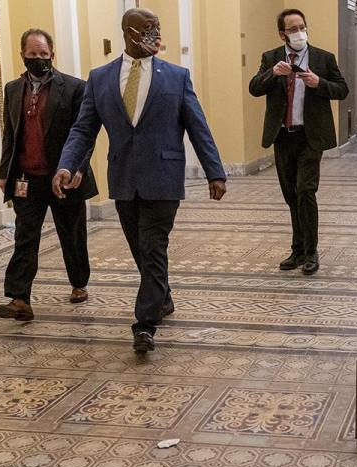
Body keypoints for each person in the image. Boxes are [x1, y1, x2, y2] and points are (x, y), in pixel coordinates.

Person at [55, 8, 227, 354]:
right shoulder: (100, 77)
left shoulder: (176, 76)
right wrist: (67, 165)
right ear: (128, 32)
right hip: (124, 178)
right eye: (148, 30)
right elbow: (83, 129)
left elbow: (198, 126)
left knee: (152, 245)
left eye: (158, 28)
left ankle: (144, 324)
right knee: (140, 249)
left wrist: (215, 171)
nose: (155, 35)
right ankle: (162, 297)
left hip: (163, 177)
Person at [0, 29, 97, 322]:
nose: (38, 59)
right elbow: (10, 135)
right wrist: (6, 173)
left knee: (72, 234)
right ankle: (19, 299)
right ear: (23, 55)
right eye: (32, 54)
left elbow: (84, 132)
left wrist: (78, 167)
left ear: (52, 54)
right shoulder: (13, 89)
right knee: (25, 237)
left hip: (64, 177)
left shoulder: (76, 88)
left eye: (43, 54)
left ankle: (79, 282)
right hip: (27, 176)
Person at [249, 8, 349, 275]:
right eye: (292, 29)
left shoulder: (323, 58)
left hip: (310, 136)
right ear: (282, 33)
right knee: (291, 194)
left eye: (302, 27)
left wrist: (319, 83)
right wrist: (273, 73)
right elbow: (254, 88)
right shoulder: (271, 58)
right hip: (283, 136)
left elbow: (342, 89)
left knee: (306, 190)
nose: (299, 32)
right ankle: (297, 248)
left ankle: (311, 251)